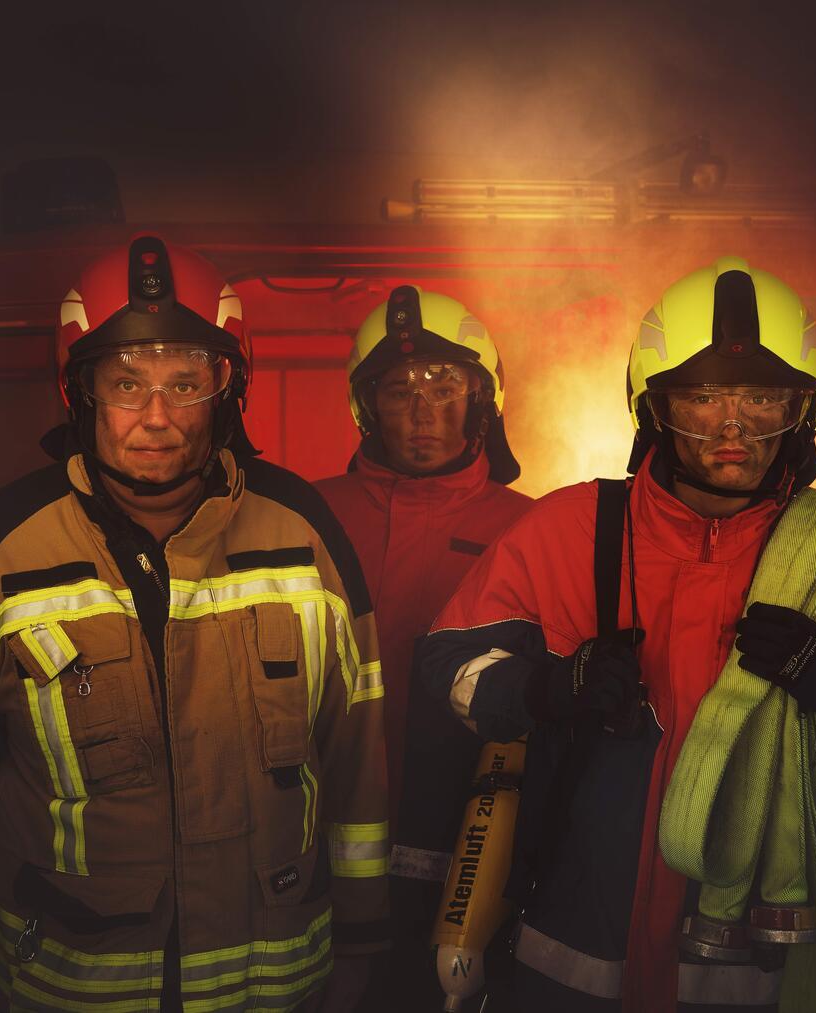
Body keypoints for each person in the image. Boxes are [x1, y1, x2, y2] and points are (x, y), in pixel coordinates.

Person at [417, 256, 816, 1012]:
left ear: (803, 410)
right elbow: (447, 668)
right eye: (702, 397)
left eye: (763, 397)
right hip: (566, 966)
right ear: (652, 407)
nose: (733, 426)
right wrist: (545, 687)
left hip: (755, 986)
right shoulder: (572, 530)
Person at [0, 235, 387, 1013]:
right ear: (78, 391)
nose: (156, 417)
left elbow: (356, 756)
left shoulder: (303, 536)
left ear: (228, 390)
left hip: (281, 992)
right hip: (69, 992)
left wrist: (367, 951)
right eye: (125, 383)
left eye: (185, 384)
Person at [315, 286, 532, 1008]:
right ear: (364, 404)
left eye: (446, 384)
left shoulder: (539, 530)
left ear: (484, 397)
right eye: (398, 387)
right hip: (316, 873)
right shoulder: (301, 519)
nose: (422, 406)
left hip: (474, 870)